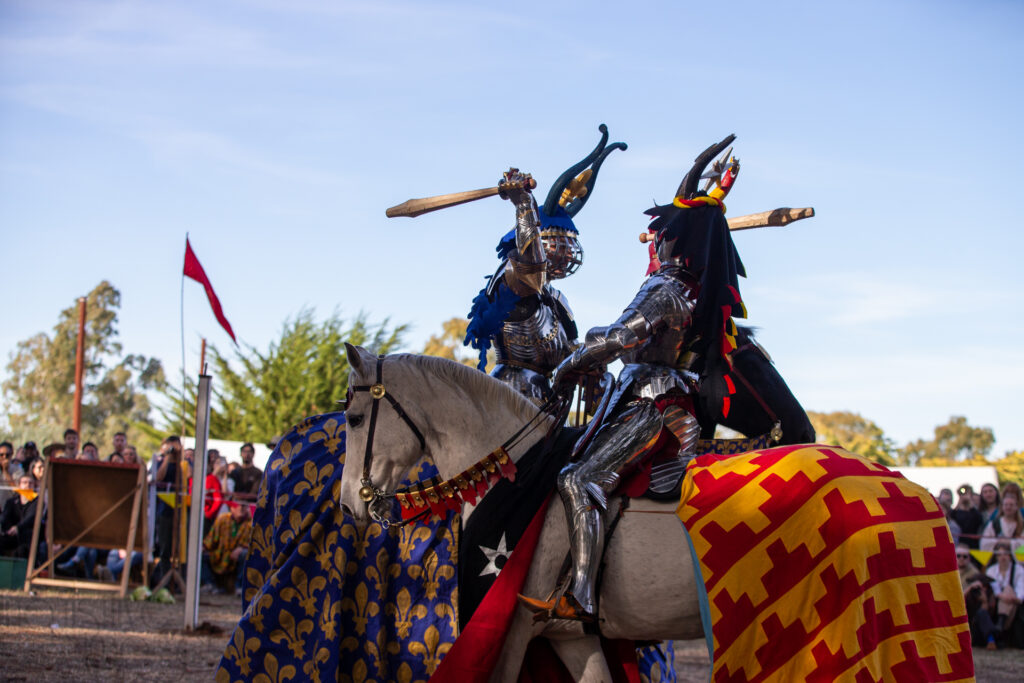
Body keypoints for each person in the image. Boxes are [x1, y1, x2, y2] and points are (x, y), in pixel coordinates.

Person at [520, 135, 746, 621]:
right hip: (652, 396)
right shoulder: (692, 288)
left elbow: (621, 339)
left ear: (674, 239)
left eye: (664, 231)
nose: (657, 237)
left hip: (651, 402)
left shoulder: (666, 287)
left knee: (579, 480)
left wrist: (567, 366)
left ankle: (579, 597)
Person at [464, 125, 626, 404]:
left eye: (568, 245)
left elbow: (566, 353)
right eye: (558, 244)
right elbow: (533, 265)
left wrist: (596, 355)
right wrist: (524, 206)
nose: (566, 254)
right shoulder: (516, 275)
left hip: (546, 399)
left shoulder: (556, 298)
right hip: (509, 396)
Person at [202, 502, 252, 594]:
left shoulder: (251, 523)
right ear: (231, 508)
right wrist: (204, 547)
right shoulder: (222, 519)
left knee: (246, 554)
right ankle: (209, 584)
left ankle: (240, 586)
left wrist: (241, 548)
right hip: (221, 554)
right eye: (237, 505)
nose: (240, 508)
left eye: (243, 506)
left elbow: (254, 543)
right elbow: (211, 539)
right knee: (201, 555)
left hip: (237, 556)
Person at [986, 541, 1024, 647]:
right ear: (996, 556)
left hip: (1014, 601)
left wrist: (1015, 598)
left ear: (1010, 555)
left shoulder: (1018, 570)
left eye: (1005, 554)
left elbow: (1021, 589)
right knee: (1006, 591)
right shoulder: (991, 570)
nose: (1002, 557)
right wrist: (1004, 596)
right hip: (995, 602)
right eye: (999, 555)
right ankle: (1001, 626)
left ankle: (1001, 625)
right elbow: (995, 590)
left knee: (1008, 588)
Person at [0, 474, 38, 558]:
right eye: (25, 482)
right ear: (19, 485)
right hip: (10, 534)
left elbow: (30, 517)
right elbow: (4, 516)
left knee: (23, 549)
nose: (28, 485)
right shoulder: (11, 501)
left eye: (30, 483)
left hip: (28, 536)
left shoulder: (37, 501)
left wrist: (17, 527)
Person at [952, 485, 983, 549]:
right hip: (959, 543)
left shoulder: (975, 511)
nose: (964, 495)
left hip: (973, 544)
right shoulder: (956, 512)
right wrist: (959, 502)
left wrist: (970, 504)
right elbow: (951, 518)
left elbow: (979, 520)